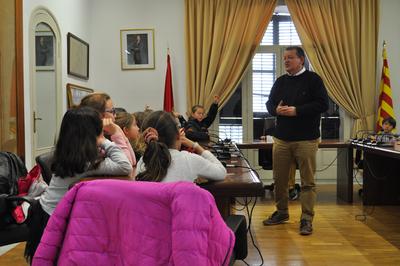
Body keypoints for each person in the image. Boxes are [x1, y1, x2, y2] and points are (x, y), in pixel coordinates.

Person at [24, 107, 132, 262]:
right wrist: (104, 141)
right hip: (55, 222)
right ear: (93, 134)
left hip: (44, 213)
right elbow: (125, 165)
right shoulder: (86, 164)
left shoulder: (68, 154)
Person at [263, 46, 329, 236]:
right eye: (284, 58)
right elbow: (269, 103)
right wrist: (275, 110)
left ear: (301, 60)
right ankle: (282, 212)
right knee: (280, 180)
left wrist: (296, 111)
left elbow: (322, 104)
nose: (286, 61)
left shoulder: (313, 80)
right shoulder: (280, 81)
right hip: (282, 139)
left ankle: (306, 219)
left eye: (290, 58)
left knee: (308, 182)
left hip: (306, 139)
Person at [135, 111, 226, 183]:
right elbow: (221, 172)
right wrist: (196, 146)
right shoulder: (189, 160)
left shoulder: (143, 162)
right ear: (178, 135)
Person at [80, 92, 136, 168]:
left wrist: (119, 131)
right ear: (99, 115)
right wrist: (116, 134)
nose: (115, 115)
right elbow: (128, 164)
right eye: (112, 111)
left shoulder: (106, 134)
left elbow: (133, 162)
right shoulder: (91, 141)